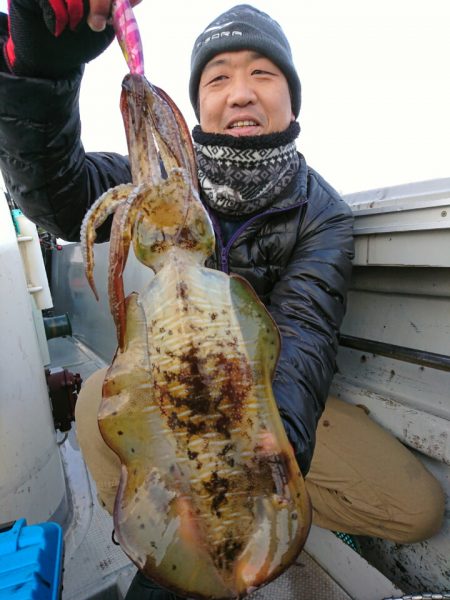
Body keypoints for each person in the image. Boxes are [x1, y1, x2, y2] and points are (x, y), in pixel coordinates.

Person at [0, 3, 444, 599]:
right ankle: (162, 540)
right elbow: (56, 189)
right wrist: (42, 79)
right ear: (199, 105)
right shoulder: (148, 184)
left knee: (417, 509)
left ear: (292, 99)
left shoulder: (322, 212)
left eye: (263, 74)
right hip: (169, 384)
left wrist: (258, 465)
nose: (240, 93)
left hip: (268, 396)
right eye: (218, 78)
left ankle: (261, 522)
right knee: (91, 410)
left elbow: (304, 333)